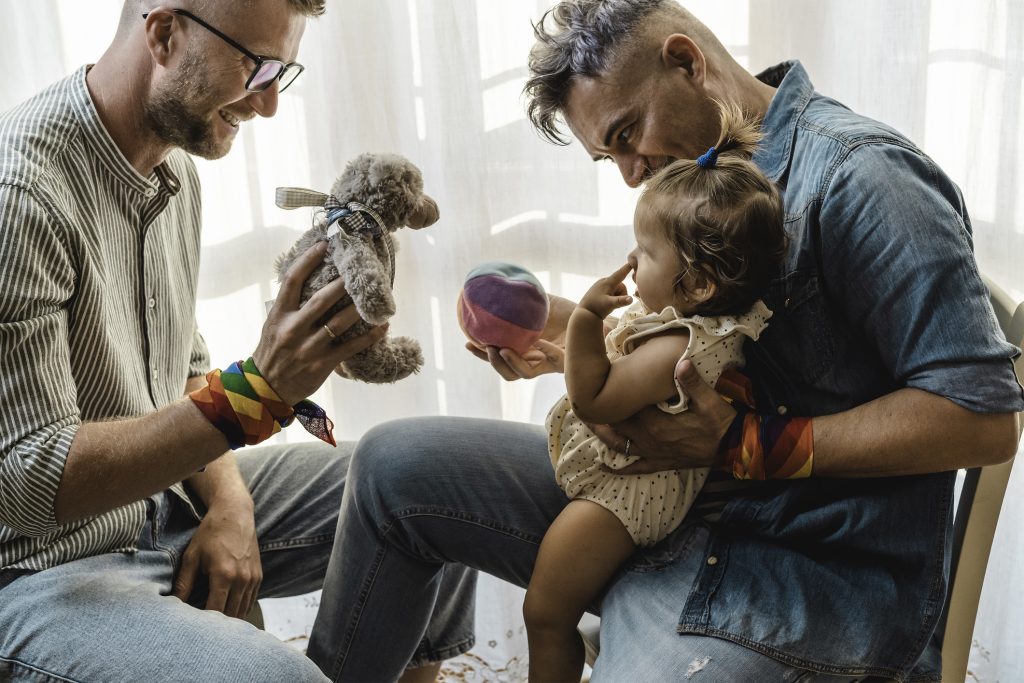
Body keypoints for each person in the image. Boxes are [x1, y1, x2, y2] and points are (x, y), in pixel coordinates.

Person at [306, 1, 1023, 681]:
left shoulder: (863, 180)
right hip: (657, 499)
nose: (628, 174)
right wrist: (565, 337)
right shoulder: (706, 181)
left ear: (686, 62)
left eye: (626, 136)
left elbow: (984, 420)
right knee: (393, 467)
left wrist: (746, 446)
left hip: (801, 575)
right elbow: (702, 352)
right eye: (607, 158)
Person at [0, 2, 463, 682]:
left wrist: (230, 499)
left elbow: (182, 368)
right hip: (49, 569)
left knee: (429, 484)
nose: (270, 103)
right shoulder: (21, 196)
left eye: (283, 71)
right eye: (256, 66)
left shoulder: (174, 171)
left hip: (168, 502)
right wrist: (257, 393)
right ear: (162, 33)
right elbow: (25, 480)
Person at [526, 103, 785, 682]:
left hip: (626, 500)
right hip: (632, 475)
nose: (630, 264)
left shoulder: (676, 349)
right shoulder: (698, 323)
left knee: (545, 610)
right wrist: (558, 354)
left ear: (695, 283)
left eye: (643, 254)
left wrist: (586, 320)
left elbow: (597, 397)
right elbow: (622, 376)